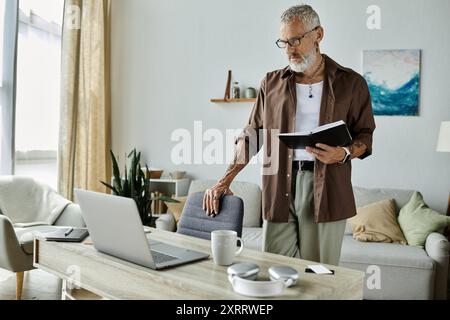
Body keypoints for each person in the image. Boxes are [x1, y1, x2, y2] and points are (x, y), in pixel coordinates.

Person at [202, 4, 376, 266]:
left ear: (318, 34)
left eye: (295, 40)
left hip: (327, 187)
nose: (289, 49)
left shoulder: (351, 83)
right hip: (277, 186)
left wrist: (344, 153)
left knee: (318, 274)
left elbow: (365, 134)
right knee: (274, 269)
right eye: (283, 42)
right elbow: (251, 136)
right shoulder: (271, 83)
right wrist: (224, 181)